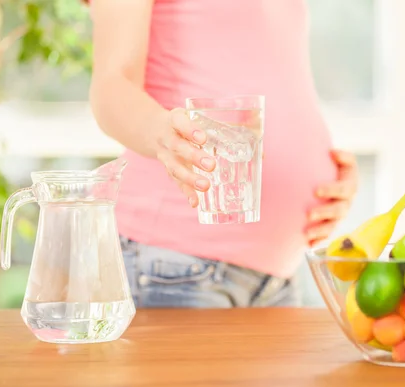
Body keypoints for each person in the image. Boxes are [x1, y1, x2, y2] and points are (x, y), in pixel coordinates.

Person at [87, 0, 359, 308]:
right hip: (178, 263)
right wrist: (165, 134)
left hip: (278, 275)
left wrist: (327, 171)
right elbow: (111, 87)